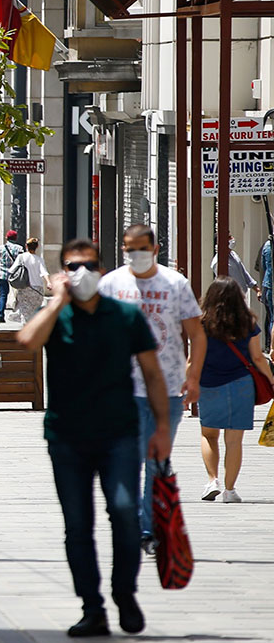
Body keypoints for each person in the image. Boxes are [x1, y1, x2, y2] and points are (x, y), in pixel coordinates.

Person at [17, 238, 171, 638]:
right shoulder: (56, 316)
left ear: (101, 271)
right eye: (71, 265)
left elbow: (153, 374)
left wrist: (160, 430)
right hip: (66, 437)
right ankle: (92, 608)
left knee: (123, 511)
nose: (80, 272)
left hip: (119, 432)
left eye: (87, 265)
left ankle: (125, 593)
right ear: (61, 272)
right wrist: (55, 302)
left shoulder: (124, 315)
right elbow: (27, 341)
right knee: (77, 525)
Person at [97, 224, 204, 550]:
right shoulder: (110, 284)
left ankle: (148, 530)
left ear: (156, 249)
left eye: (142, 248)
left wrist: (194, 375)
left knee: (156, 463)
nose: (135, 254)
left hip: (166, 391)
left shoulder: (175, 284)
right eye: (130, 248)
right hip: (120, 391)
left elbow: (197, 335)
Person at [195, 276, 271, 504]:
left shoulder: (202, 322)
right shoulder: (248, 323)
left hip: (209, 383)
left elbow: (194, 357)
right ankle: (229, 490)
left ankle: (212, 480)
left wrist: (188, 380)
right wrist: (271, 379)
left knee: (209, 435)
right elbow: (257, 357)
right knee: (234, 440)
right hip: (241, 385)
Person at [9, 238, 48, 322]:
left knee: (25, 312)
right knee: (36, 312)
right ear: (37, 247)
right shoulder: (39, 259)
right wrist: (49, 282)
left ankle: (26, 329)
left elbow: (11, 270)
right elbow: (44, 272)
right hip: (37, 289)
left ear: (26, 246)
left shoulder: (21, 257)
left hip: (24, 288)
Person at [0, 230, 24, 323]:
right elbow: (22, 261)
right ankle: (19, 313)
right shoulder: (19, 248)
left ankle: (0, 314)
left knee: (3, 295)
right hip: (16, 275)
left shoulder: (0, 248)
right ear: (15, 238)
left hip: (3, 274)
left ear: (6, 238)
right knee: (19, 294)